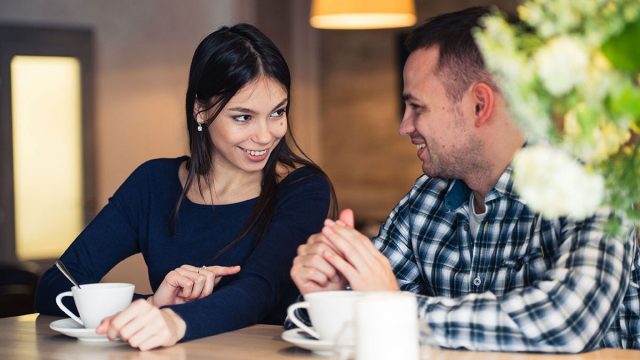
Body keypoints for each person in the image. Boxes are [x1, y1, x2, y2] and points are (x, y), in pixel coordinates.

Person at [290, 7, 640, 353]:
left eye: (417, 107)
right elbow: (346, 310)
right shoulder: (425, 199)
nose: (404, 127)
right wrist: (330, 296)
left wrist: (391, 310)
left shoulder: (594, 188)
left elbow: (569, 322)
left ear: (479, 105)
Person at [35, 23, 336, 351]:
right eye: (243, 117)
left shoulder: (302, 188)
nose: (265, 136)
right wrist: (151, 305)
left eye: (277, 112)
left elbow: (259, 292)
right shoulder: (153, 184)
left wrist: (173, 320)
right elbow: (57, 284)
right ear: (201, 111)